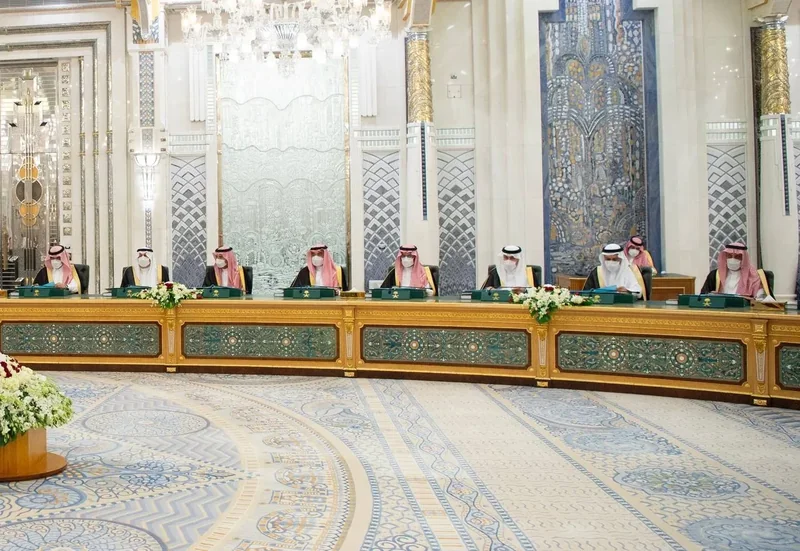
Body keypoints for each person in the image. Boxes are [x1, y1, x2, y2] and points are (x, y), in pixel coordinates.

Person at [700, 242, 772, 299]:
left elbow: (761, 299)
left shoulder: (754, 276)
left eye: (737, 256)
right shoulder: (715, 275)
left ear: (744, 258)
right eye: (729, 256)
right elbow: (702, 296)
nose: (732, 259)